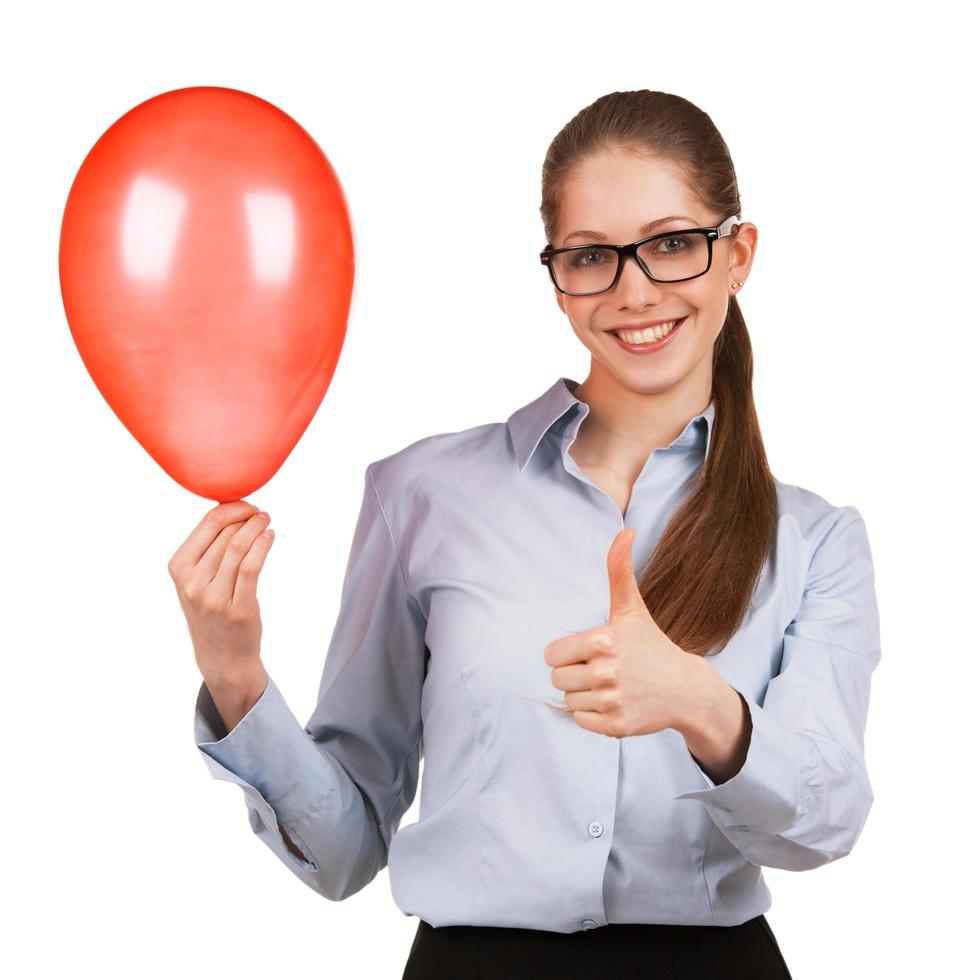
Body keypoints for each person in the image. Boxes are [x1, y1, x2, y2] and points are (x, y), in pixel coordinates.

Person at [169, 89, 880, 979]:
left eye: (670, 244)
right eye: (591, 256)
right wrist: (235, 677)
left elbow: (827, 823)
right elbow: (347, 850)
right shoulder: (421, 493)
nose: (634, 291)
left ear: (736, 256)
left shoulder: (815, 542)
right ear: (557, 278)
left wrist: (700, 703)